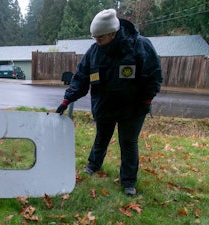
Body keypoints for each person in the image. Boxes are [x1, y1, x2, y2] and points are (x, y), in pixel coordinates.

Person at [56, 9, 162, 195]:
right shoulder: (94, 52)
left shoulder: (139, 45)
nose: (96, 41)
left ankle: (128, 182)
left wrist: (146, 99)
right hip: (104, 105)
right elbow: (81, 77)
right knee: (101, 137)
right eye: (94, 37)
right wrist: (67, 99)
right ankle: (93, 165)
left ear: (113, 33)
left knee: (128, 142)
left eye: (100, 37)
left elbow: (153, 75)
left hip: (133, 107)